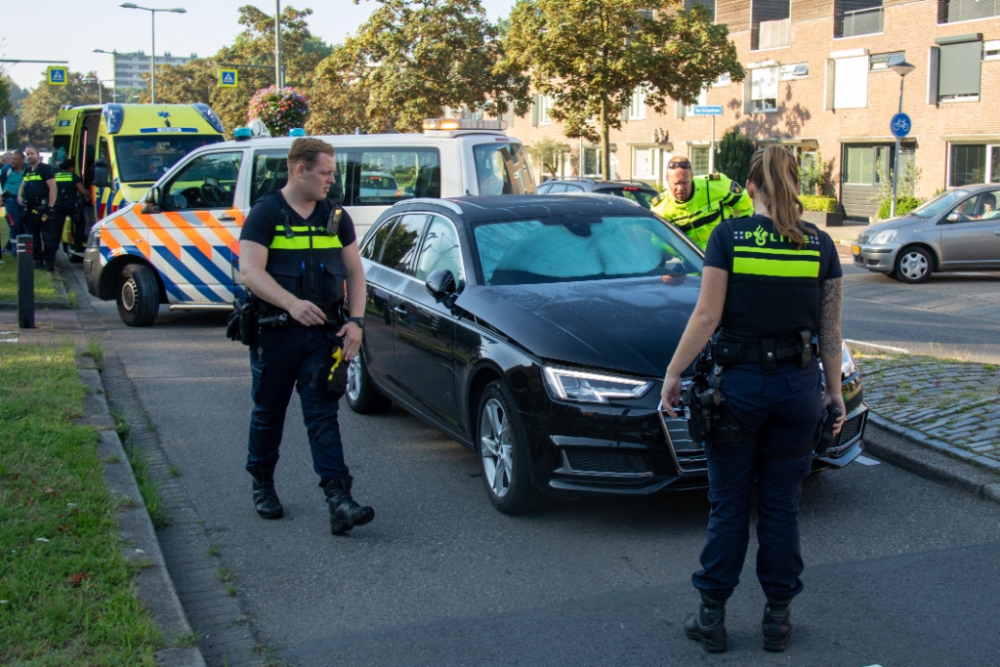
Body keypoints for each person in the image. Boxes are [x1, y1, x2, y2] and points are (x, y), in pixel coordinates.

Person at [660, 146, 845, 654]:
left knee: (728, 507)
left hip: (739, 391)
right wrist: (834, 393)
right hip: (798, 391)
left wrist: (673, 373)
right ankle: (777, 620)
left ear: (749, 189)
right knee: (782, 508)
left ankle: (712, 617)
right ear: (794, 185)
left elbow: (705, 317)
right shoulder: (820, 246)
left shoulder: (729, 237)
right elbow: (830, 332)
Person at [238, 137, 375, 536]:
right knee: (269, 413)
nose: (332, 179)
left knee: (323, 415)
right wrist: (291, 303)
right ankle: (262, 483)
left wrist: (356, 321)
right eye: (325, 172)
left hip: (322, 337)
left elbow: (355, 273)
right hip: (276, 335)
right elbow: (251, 271)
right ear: (300, 169)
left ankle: (339, 500)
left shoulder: (335, 217)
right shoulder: (266, 213)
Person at [651, 158, 754, 250]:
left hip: (726, 255)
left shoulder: (717, 185)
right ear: (667, 179)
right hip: (694, 265)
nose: (680, 189)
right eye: (676, 183)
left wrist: (735, 235)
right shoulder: (660, 208)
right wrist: (681, 253)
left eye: (685, 183)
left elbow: (749, 206)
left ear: (692, 176)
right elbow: (657, 242)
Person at [17, 146, 58, 270]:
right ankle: (37, 261)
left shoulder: (45, 169)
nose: (30, 156)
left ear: (38, 155)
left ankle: (49, 263)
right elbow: (23, 184)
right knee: (33, 236)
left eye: (32, 154)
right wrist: (19, 196)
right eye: (27, 154)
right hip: (31, 207)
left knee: (48, 237)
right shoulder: (28, 169)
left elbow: (53, 188)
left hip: (44, 207)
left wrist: (50, 207)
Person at [53, 159, 91, 259]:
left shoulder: (55, 176)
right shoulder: (73, 176)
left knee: (56, 229)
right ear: (71, 168)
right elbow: (82, 190)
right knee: (80, 224)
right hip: (71, 206)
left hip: (58, 206)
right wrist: (89, 195)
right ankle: (78, 246)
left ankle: (53, 251)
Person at [1, 150, 26, 254]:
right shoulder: (6, 169)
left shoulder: (27, 169)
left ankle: (24, 248)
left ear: (22, 160)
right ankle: (13, 249)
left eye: (15, 159)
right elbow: (1, 181)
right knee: (14, 223)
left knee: (24, 223)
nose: (12, 161)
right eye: (12, 159)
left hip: (24, 199)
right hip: (10, 199)